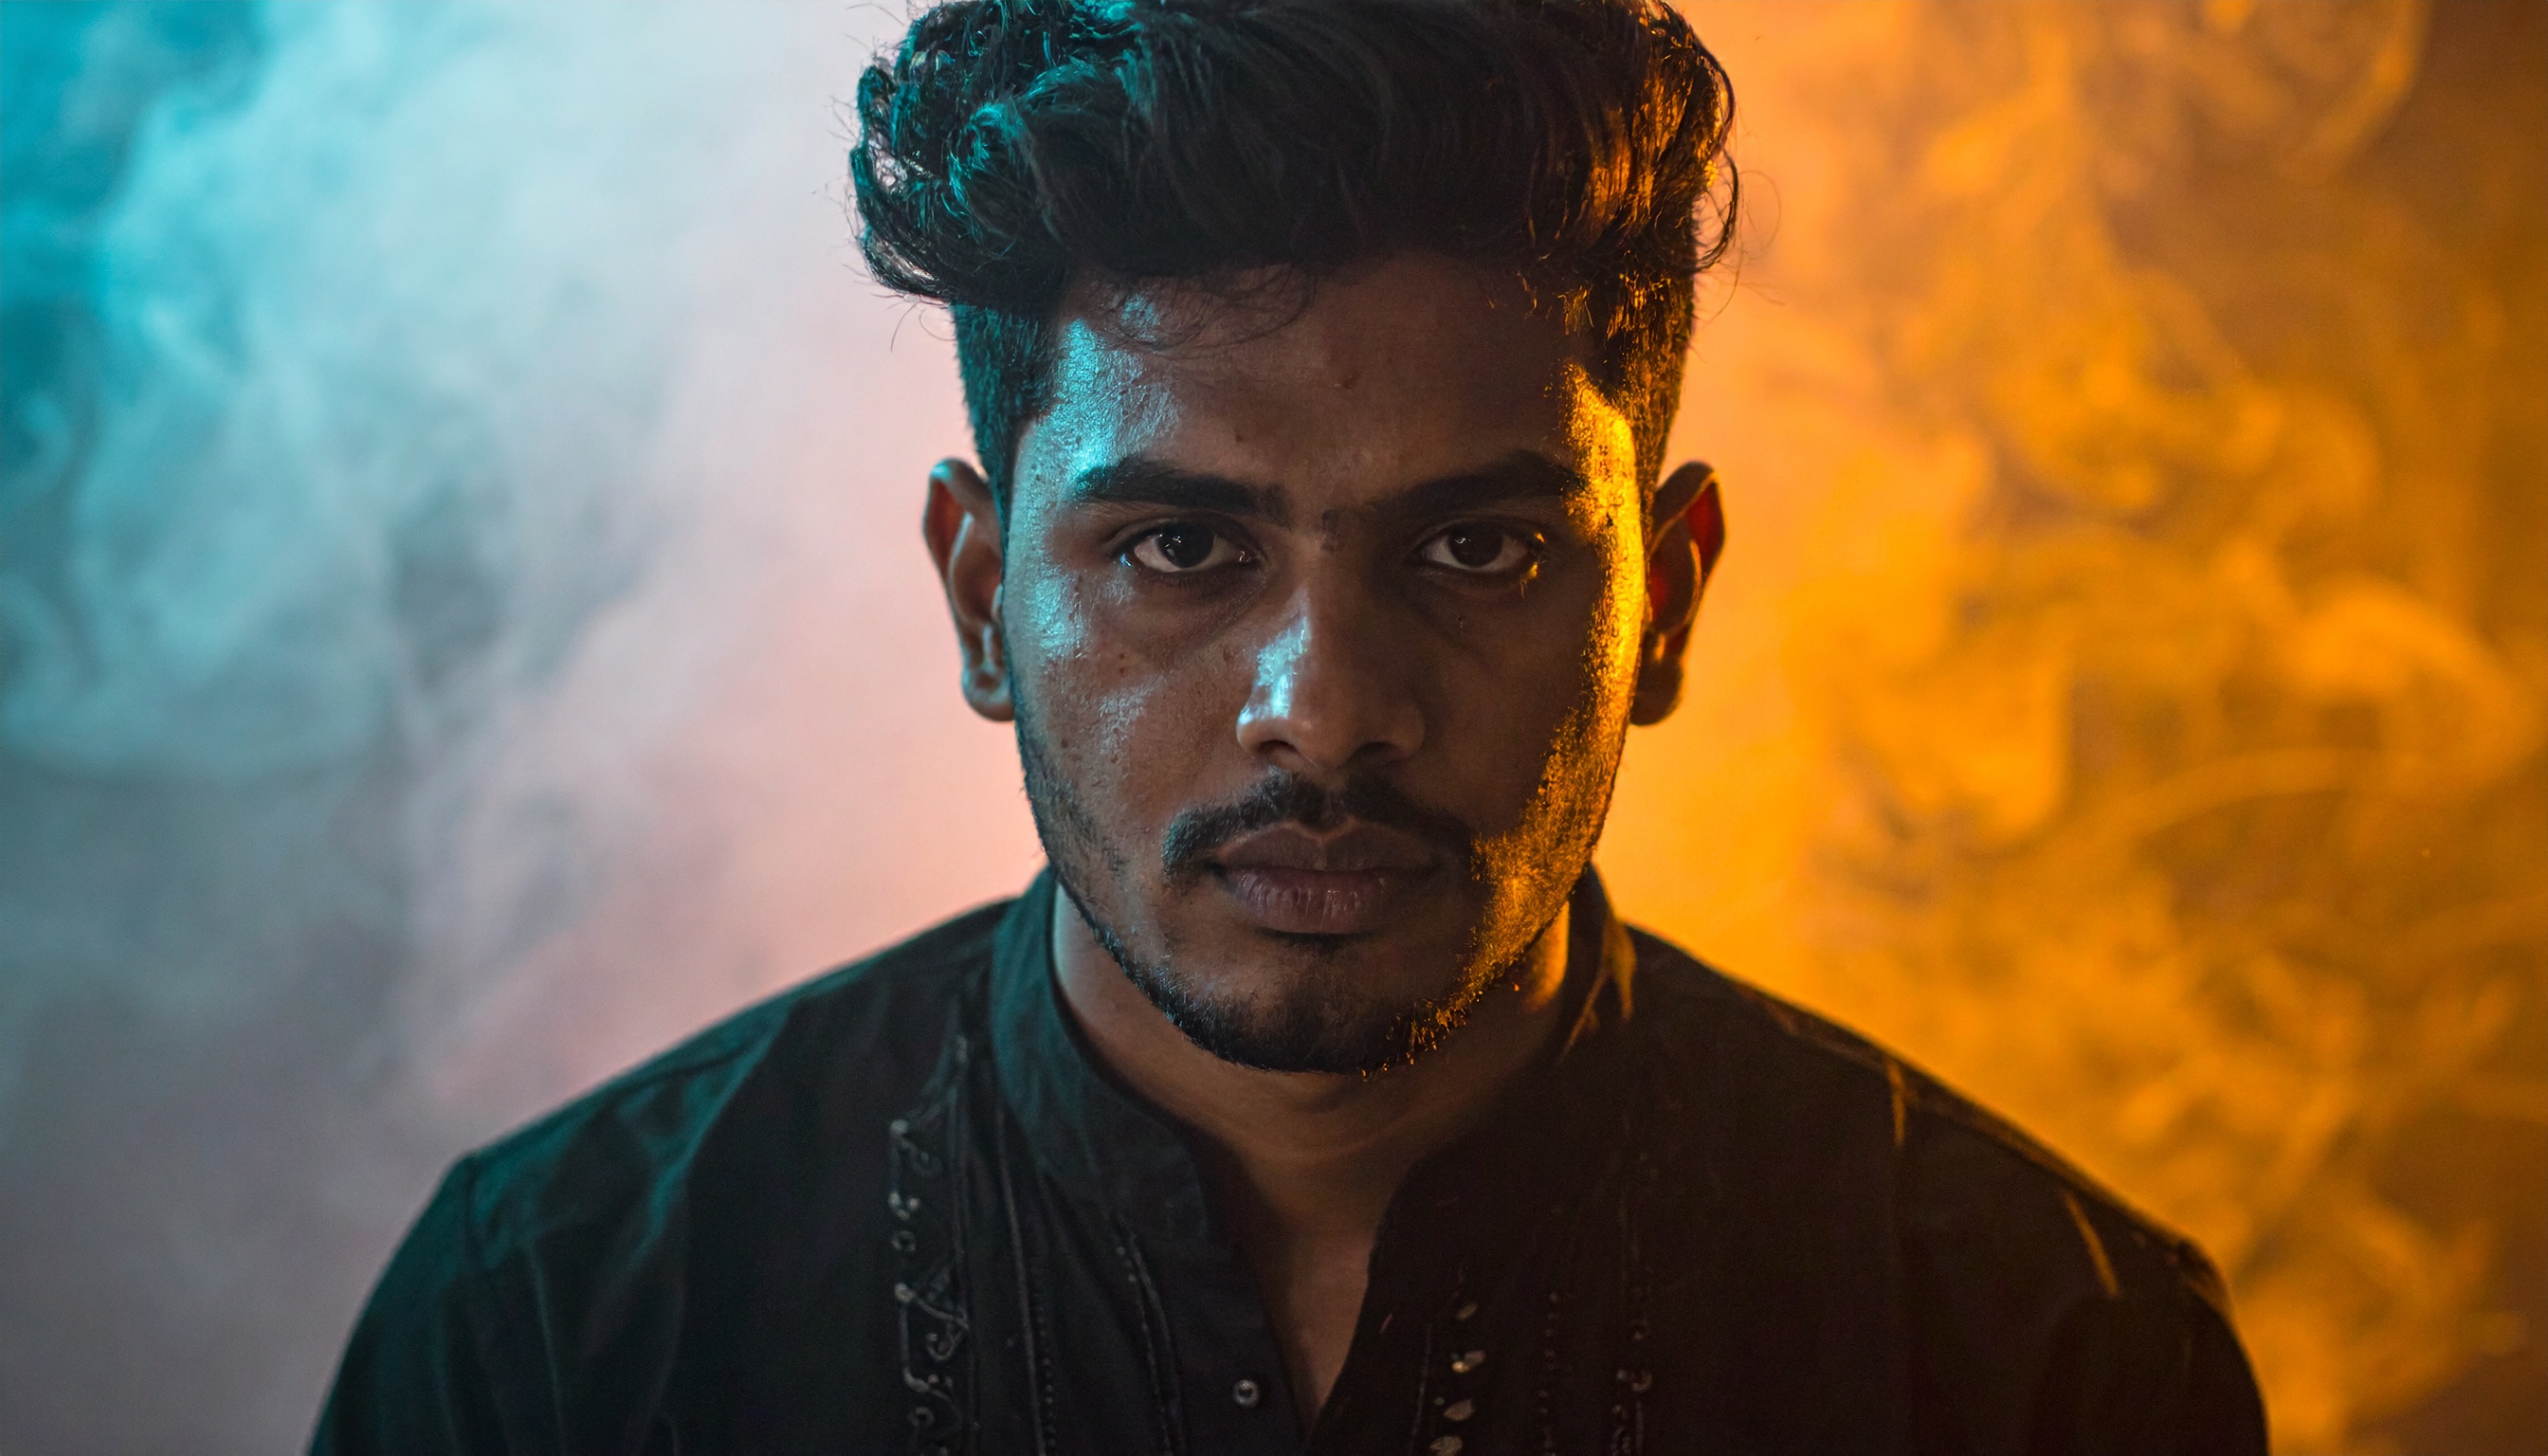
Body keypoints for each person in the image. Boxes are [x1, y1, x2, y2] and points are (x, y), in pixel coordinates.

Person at [312, 1, 2267, 1451]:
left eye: (1481, 547)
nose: (1326, 709)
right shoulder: (562, 1327)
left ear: (1663, 599)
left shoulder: (2039, 1361)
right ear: (984, 594)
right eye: (1180, 547)